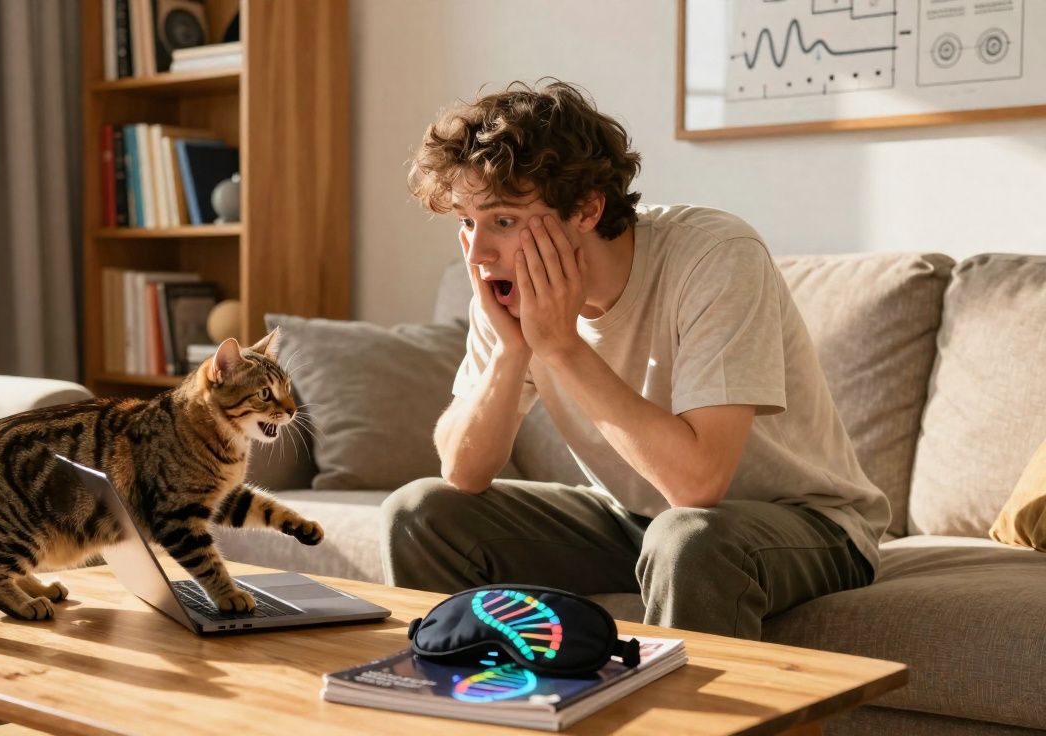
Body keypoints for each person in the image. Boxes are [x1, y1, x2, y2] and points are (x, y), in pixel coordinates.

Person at [379, 80, 886, 640]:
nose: (477, 253)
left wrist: (562, 347)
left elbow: (698, 486)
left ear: (587, 210)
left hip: (808, 523)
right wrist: (512, 349)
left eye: (502, 220)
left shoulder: (715, 257)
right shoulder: (504, 282)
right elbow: (462, 472)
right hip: (640, 520)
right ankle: (474, 711)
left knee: (690, 537)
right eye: (466, 223)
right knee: (420, 513)